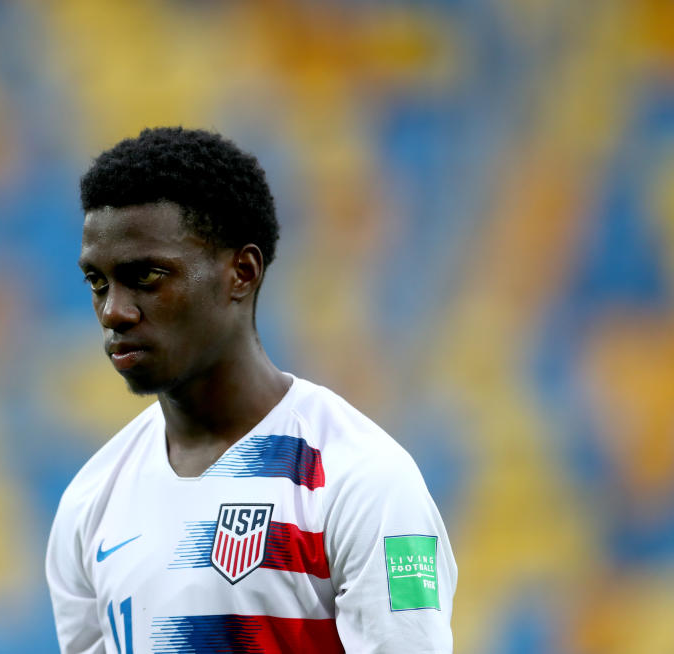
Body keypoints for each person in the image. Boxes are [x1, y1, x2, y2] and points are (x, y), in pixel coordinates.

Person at [46, 127, 457, 653]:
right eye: (98, 283)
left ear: (241, 271)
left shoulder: (363, 480)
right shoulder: (90, 502)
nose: (114, 311)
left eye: (146, 276)